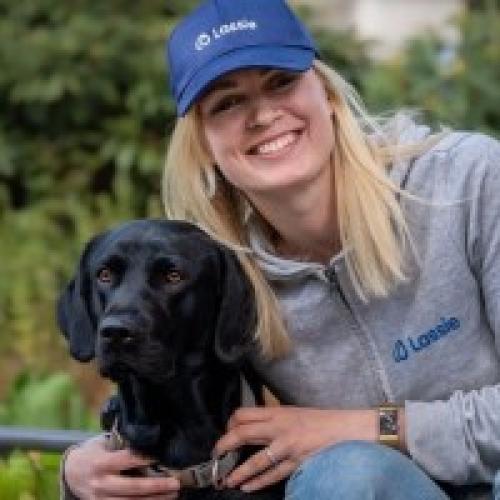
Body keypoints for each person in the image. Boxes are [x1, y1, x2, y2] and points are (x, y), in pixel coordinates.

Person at [61, 0, 500, 498]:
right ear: (204, 143)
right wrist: (78, 469)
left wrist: (366, 427)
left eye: (281, 82)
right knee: (345, 476)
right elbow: (160, 385)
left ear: (326, 93)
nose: (263, 115)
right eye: (227, 103)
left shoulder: (470, 181)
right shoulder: (223, 275)